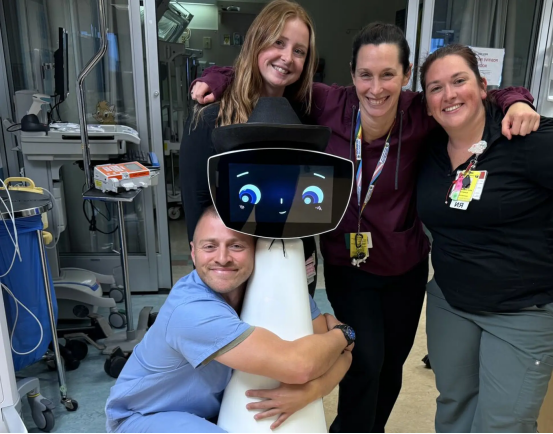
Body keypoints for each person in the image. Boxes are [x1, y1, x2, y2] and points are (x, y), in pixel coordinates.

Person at [190, 23, 539, 433]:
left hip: (405, 267)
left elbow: (477, 94)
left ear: (405, 76)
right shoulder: (326, 102)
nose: (376, 88)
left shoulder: (420, 111)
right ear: (352, 75)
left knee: (392, 368)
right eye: (365, 75)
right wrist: (217, 76)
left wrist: (517, 100)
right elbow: (273, 73)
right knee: (365, 362)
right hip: (348, 265)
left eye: (388, 74)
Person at [105, 206, 354, 433]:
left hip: (210, 413)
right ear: (193, 252)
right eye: (209, 246)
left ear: (255, 250)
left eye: (236, 246)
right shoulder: (190, 310)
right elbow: (301, 366)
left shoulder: (271, 285)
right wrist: (344, 334)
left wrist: (313, 390)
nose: (222, 258)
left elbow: (341, 357)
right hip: (145, 416)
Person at [416, 44, 553, 433]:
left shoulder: (526, 138)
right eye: (436, 88)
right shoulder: (430, 147)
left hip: (521, 309)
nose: (449, 94)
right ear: (427, 105)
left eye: (459, 81)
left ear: (482, 87)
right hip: (450, 302)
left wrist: (516, 100)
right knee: (454, 405)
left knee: (502, 423)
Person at [180, 0, 319, 296]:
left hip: (292, 261)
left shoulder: (305, 116)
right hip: (233, 269)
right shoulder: (210, 119)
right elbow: (198, 207)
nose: (287, 57)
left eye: (299, 51)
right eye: (278, 42)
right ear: (257, 42)